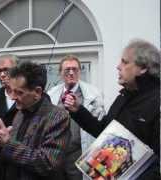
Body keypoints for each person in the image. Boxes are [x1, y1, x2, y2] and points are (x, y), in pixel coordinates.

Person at [64, 39, 160, 179]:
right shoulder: (123, 96)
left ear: (143, 68)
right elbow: (103, 131)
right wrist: (78, 111)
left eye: (125, 62)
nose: (118, 66)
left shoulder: (157, 101)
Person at [0, 61, 70, 180]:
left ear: (37, 92)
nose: (12, 97)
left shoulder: (58, 117)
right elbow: (11, 159)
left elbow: (48, 164)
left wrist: (7, 144)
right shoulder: (20, 114)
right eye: (11, 91)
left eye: (19, 92)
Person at [47, 55, 105, 180]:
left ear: (80, 72)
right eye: (67, 70)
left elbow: (100, 126)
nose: (71, 73)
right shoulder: (51, 95)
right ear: (60, 73)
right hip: (55, 155)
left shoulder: (94, 94)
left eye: (75, 69)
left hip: (79, 154)